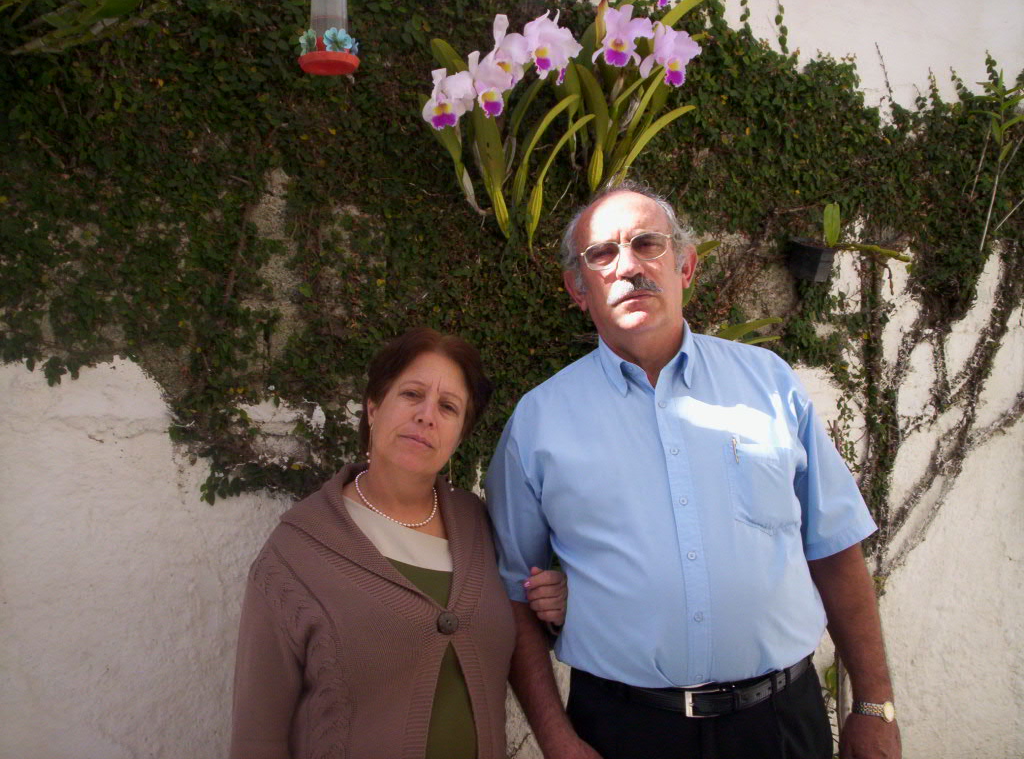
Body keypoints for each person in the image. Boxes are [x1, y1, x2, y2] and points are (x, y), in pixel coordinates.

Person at [486, 182, 902, 759]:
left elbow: (834, 548)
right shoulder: (538, 423)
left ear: (685, 266)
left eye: (647, 244)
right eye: (602, 254)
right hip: (624, 731)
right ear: (578, 288)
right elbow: (513, 591)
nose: (628, 266)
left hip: (779, 724)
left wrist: (874, 704)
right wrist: (556, 739)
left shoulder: (769, 383)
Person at [230, 328, 567, 759]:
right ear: (373, 407)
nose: (427, 415)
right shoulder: (295, 553)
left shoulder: (479, 526)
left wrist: (552, 599)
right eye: (411, 395)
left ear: (459, 436)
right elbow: (257, 738)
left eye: (448, 407)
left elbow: (515, 624)